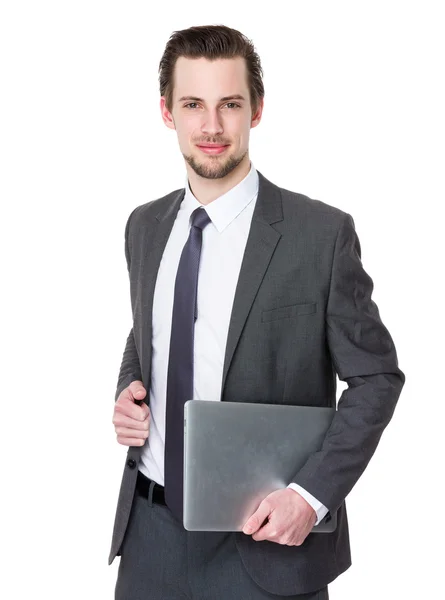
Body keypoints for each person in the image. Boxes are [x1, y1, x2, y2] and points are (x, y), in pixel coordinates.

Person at [108, 24, 405, 600]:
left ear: (257, 110)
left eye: (230, 105)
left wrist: (311, 496)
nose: (212, 127)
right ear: (168, 112)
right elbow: (148, 331)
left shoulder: (320, 234)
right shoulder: (144, 226)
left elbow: (376, 378)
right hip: (150, 538)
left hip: (267, 542)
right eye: (193, 104)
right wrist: (130, 387)